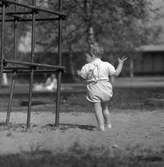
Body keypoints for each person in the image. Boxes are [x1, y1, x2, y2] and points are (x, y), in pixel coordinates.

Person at [77, 44, 127, 131]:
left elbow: (83, 77)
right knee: (105, 108)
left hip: (94, 88)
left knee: (97, 109)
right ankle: (108, 124)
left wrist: (79, 74)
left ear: (92, 55)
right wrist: (120, 63)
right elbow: (116, 74)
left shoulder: (86, 66)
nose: (86, 59)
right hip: (105, 88)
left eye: (87, 56)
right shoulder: (106, 64)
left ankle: (101, 127)